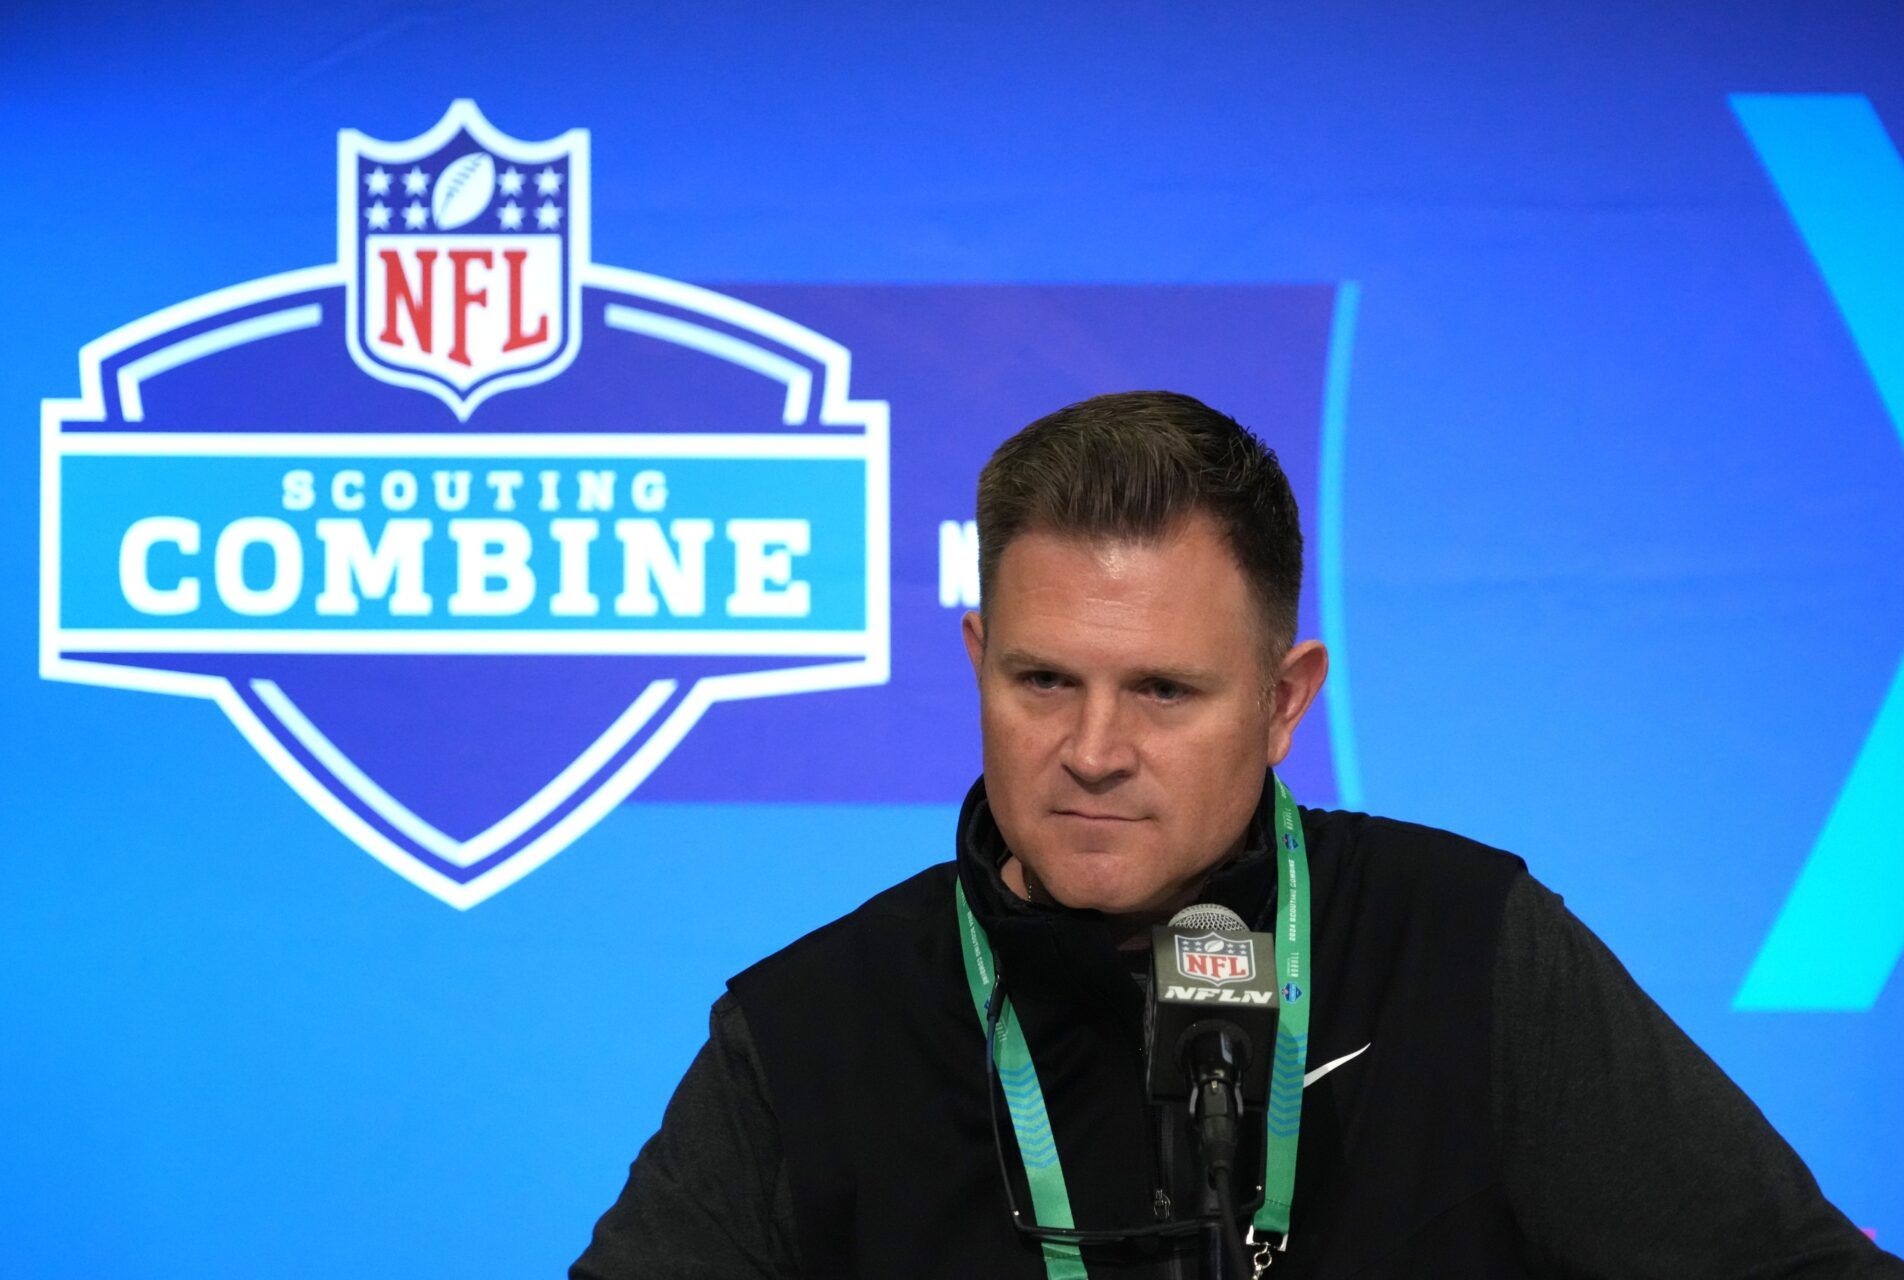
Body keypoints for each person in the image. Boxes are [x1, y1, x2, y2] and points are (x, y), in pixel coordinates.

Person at [571, 391, 1901, 1278]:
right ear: (976, 662)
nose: (1092, 751)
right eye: (1043, 682)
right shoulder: (816, 1029)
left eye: (1162, 690)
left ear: (1281, 703)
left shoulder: (1460, 946)